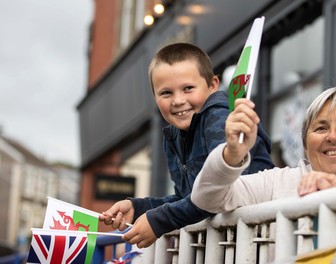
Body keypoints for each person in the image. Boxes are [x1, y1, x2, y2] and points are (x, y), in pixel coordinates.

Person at [99, 43, 275, 248]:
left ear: (213, 85)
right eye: (166, 93)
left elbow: (219, 193)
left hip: (259, 240)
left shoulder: (219, 116)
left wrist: (159, 220)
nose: (178, 100)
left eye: (188, 88)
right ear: (155, 97)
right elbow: (189, 198)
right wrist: (139, 207)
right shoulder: (174, 135)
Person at [192, 86, 336, 212]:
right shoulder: (275, 184)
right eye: (321, 128)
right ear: (306, 145)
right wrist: (231, 154)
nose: (333, 136)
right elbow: (206, 199)